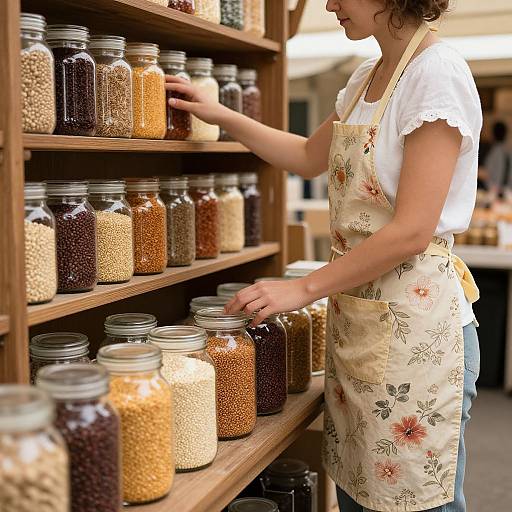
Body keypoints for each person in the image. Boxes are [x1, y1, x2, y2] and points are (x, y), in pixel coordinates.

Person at [166, 1, 482, 510]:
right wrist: (220, 114)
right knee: (359, 495)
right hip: (360, 321)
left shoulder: (436, 74)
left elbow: (411, 231)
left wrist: (301, 288)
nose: (330, 4)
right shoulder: (365, 77)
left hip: (416, 334)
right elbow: (308, 157)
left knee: (416, 501)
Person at [484, 121, 510, 195]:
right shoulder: (506, 150)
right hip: (505, 191)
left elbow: (493, 173)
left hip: (495, 191)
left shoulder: (496, 151)